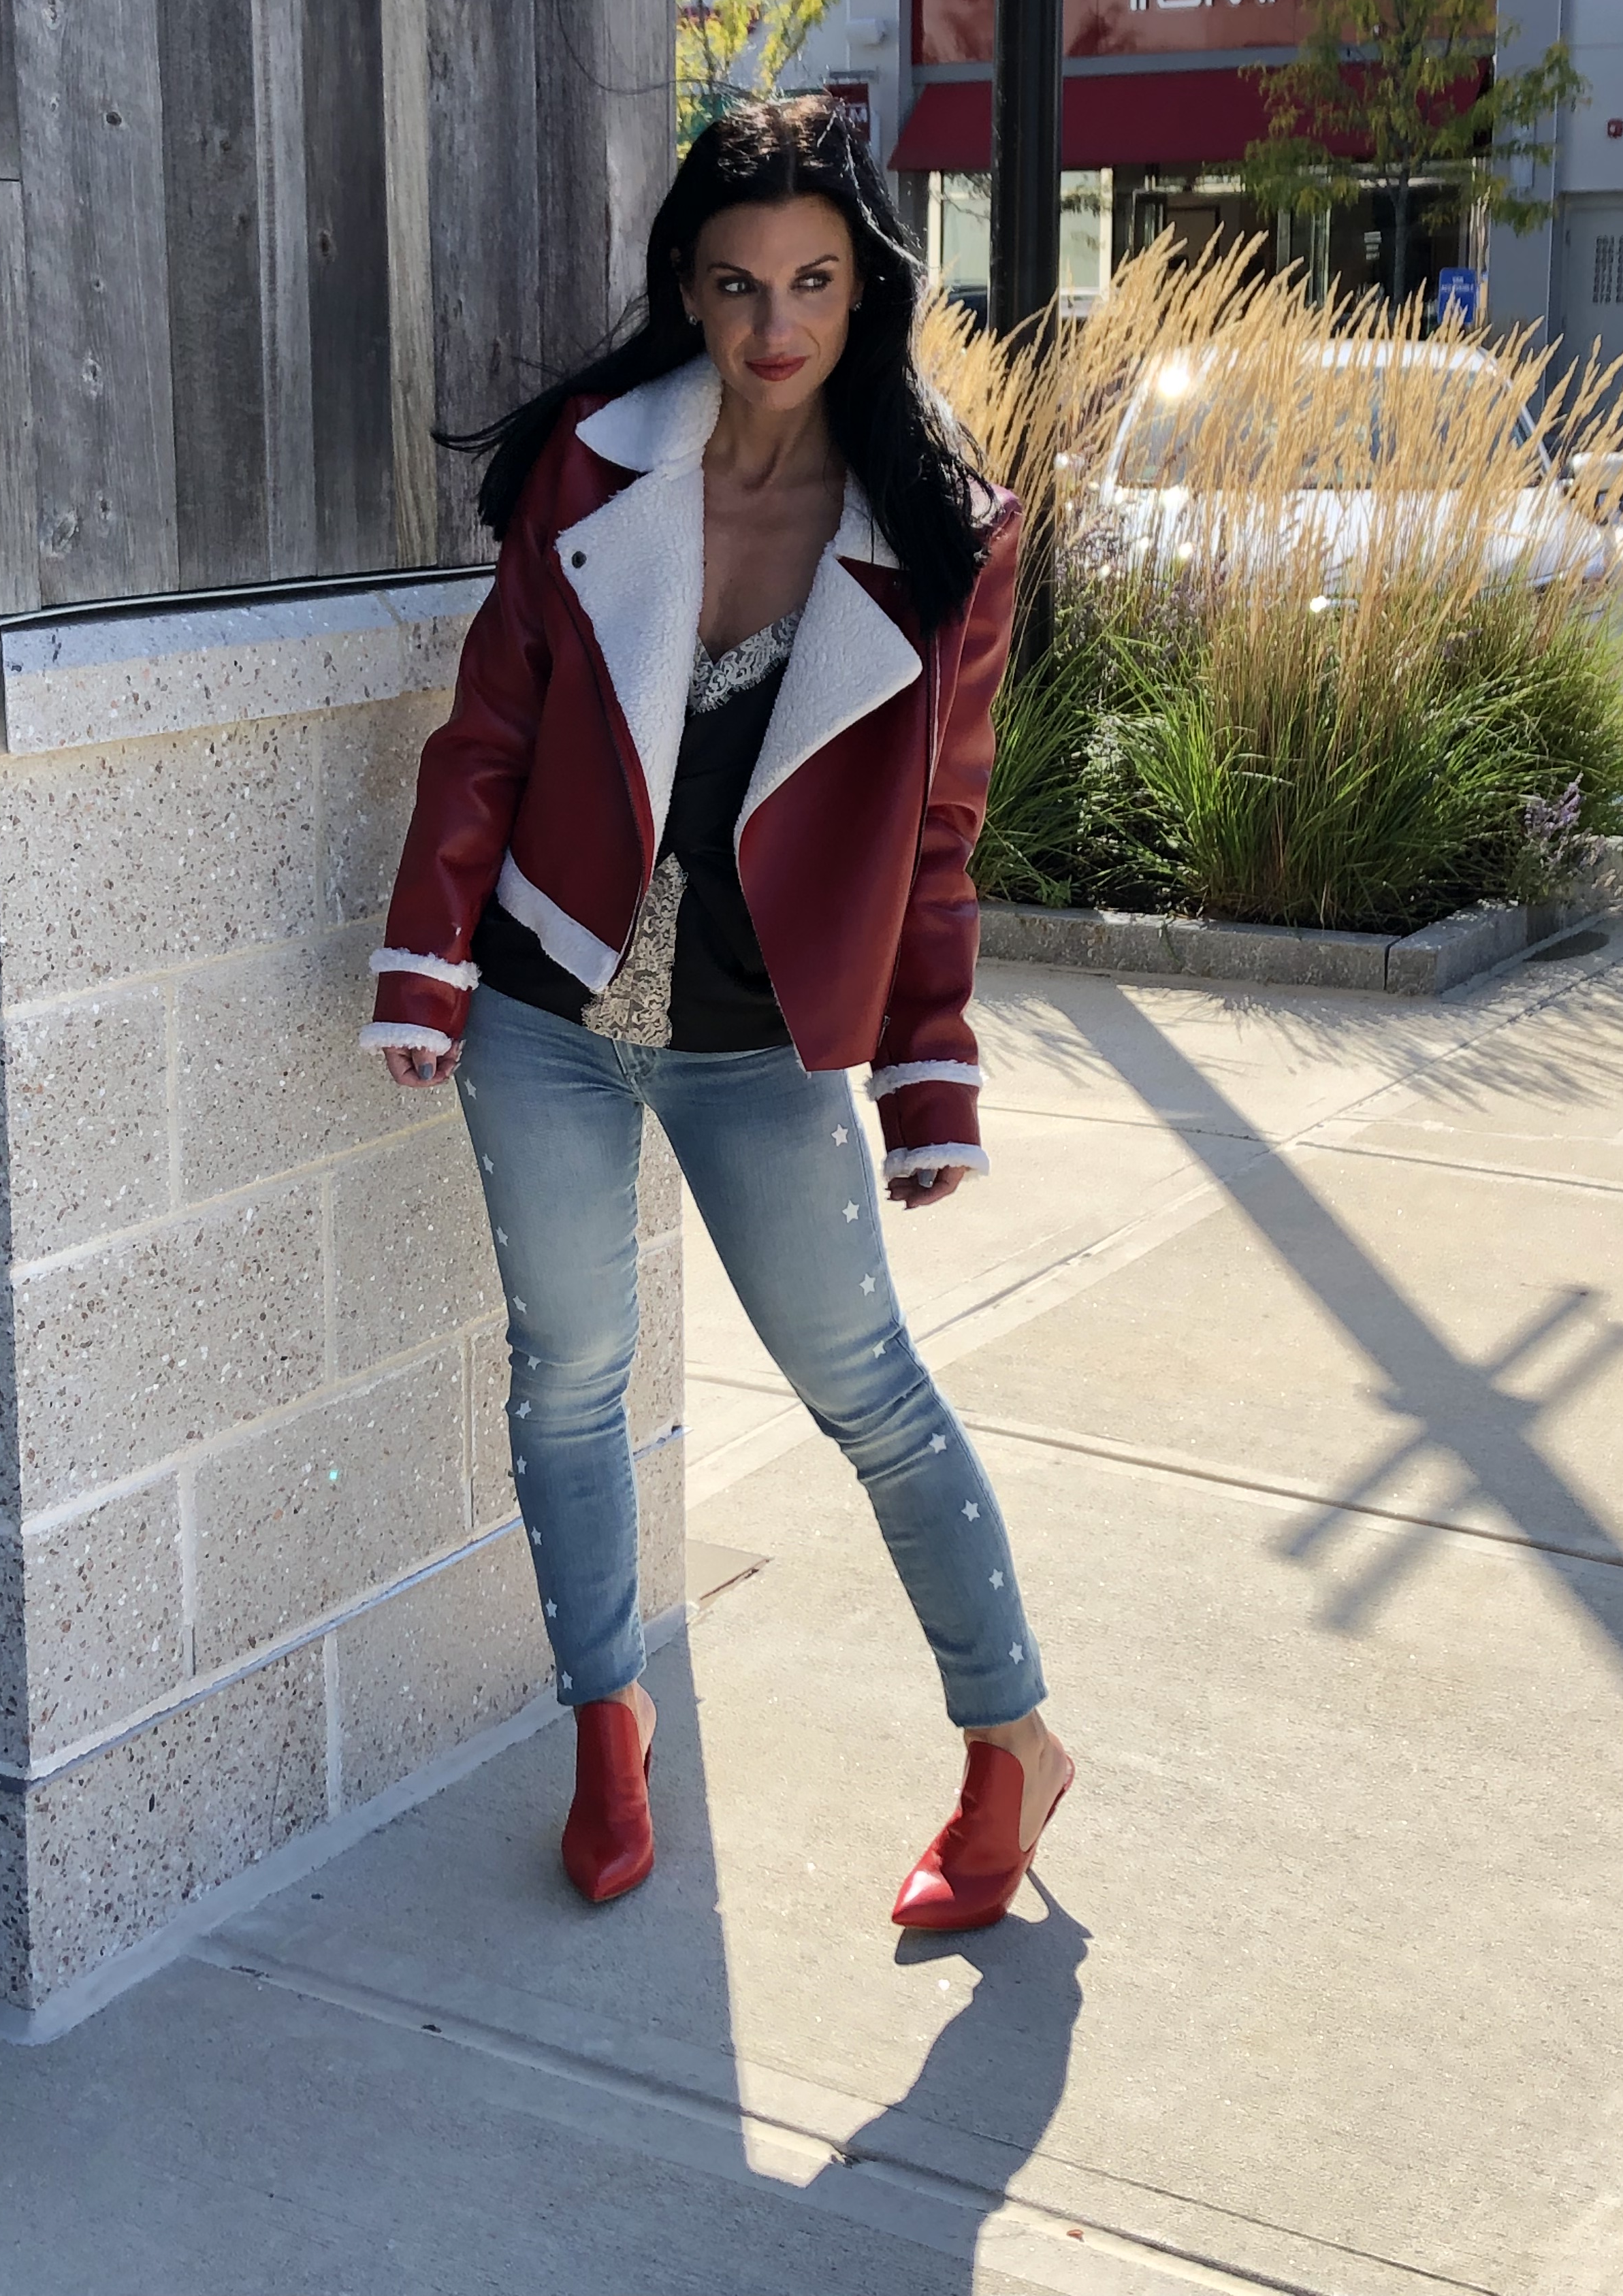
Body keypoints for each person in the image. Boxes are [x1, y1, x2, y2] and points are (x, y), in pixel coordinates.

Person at [359, 97, 1072, 1930]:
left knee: (869, 1390)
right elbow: (490, 729)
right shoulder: (594, 471)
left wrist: (929, 1073)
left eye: (815, 282)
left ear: (865, 292)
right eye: (741, 282)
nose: (775, 323)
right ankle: (608, 1730)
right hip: (545, 1004)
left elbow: (939, 830)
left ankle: (1012, 1746)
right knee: (569, 1378)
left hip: (761, 1041)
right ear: (688, 285)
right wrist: (430, 959)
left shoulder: (945, 532)